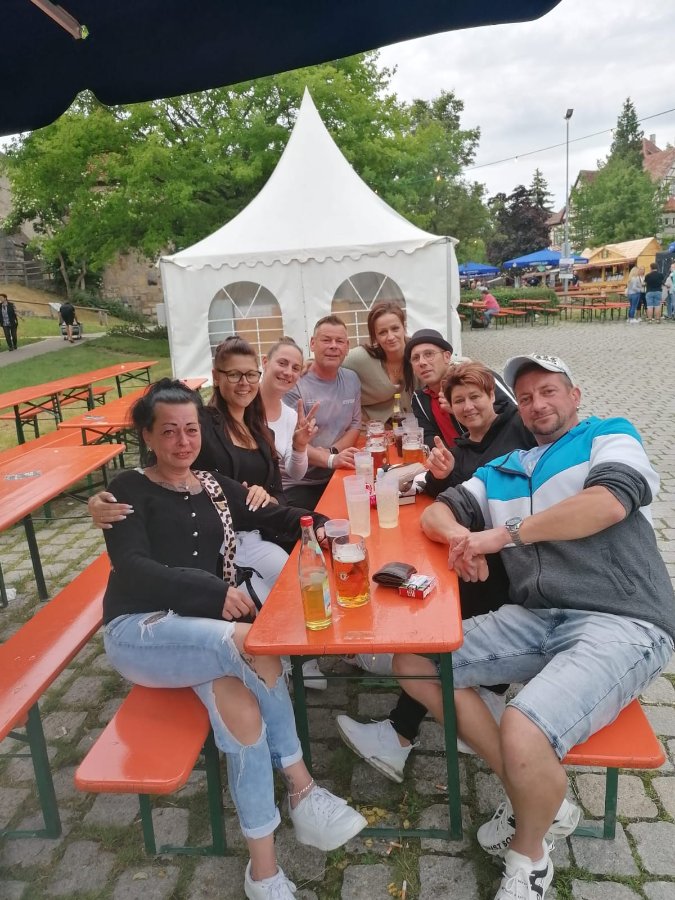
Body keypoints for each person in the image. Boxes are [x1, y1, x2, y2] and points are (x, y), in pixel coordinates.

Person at [395, 353, 675, 900]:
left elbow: (608, 503)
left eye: (549, 391)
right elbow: (434, 513)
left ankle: (529, 858)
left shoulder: (606, 435)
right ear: (516, 408)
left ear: (575, 395)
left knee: (523, 724)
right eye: (526, 397)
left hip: (621, 618)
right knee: (415, 659)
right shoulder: (504, 469)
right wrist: (460, 539)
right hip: (538, 616)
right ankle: (535, 795)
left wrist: (504, 535)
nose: (537, 404)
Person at [101, 379, 367, 900]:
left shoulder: (212, 485)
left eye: (191, 430)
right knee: (255, 643)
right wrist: (211, 591)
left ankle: (263, 873)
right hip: (141, 631)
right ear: (147, 436)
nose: (183, 441)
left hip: (205, 636)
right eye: (169, 432)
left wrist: (328, 527)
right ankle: (303, 789)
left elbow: (272, 514)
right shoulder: (127, 490)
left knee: (244, 719)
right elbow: (130, 567)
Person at [336, 362, 536, 782]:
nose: (468, 406)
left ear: (493, 396)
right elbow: (449, 496)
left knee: (441, 610)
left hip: (517, 560)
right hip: (481, 557)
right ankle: (428, 715)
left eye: (475, 396)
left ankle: (409, 728)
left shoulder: (518, 428)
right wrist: (439, 477)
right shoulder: (459, 448)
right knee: (430, 584)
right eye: (459, 400)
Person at [89, 336, 322, 688]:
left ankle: (295, 657)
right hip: (226, 541)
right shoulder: (206, 425)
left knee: (293, 579)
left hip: (250, 526)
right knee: (285, 585)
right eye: (234, 374)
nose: (184, 440)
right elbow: (160, 477)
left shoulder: (255, 424)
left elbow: (271, 490)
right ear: (216, 376)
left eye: (250, 374)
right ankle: (292, 659)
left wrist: (315, 520)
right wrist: (98, 501)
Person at [283, 315, 361, 510]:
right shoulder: (295, 383)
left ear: (347, 347)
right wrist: (330, 459)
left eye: (339, 341)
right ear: (312, 343)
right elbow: (288, 441)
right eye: (326, 340)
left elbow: (355, 424)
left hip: (336, 474)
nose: (333, 346)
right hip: (298, 483)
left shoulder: (351, 379)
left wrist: (333, 452)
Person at [403, 329, 515, 451]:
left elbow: (515, 412)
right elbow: (428, 436)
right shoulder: (419, 399)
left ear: (446, 357)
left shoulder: (479, 377)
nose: (422, 362)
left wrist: (458, 410)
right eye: (415, 358)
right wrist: (451, 457)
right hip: (459, 459)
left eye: (429, 354)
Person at [342, 301, 412, 423]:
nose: (390, 337)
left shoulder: (418, 351)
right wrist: (310, 363)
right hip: (373, 428)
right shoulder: (362, 358)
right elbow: (331, 360)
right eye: (382, 332)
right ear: (375, 337)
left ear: (404, 328)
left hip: (414, 429)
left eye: (395, 329)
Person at [259, 336, 317, 483]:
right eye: (282, 363)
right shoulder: (242, 404)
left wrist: (300, 446)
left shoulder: (290, 416)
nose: (288, 372)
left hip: (269, 493)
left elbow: (296, 474)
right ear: (265, 362)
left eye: (295, 368)